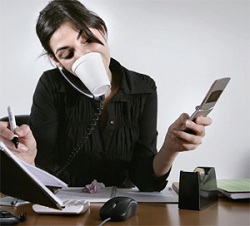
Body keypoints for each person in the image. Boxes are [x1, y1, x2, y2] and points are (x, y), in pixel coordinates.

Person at [0, 0, 211, 192]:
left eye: (89, 40)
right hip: (67, 203)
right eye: (67, 54)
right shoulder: (52, 85)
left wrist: (170, 148)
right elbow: (45, 173)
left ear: (101, 31)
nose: (84, 55)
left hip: (122, 205)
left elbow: (146, 181)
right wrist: (28, 160)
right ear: (56, 60)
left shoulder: (143, 87)